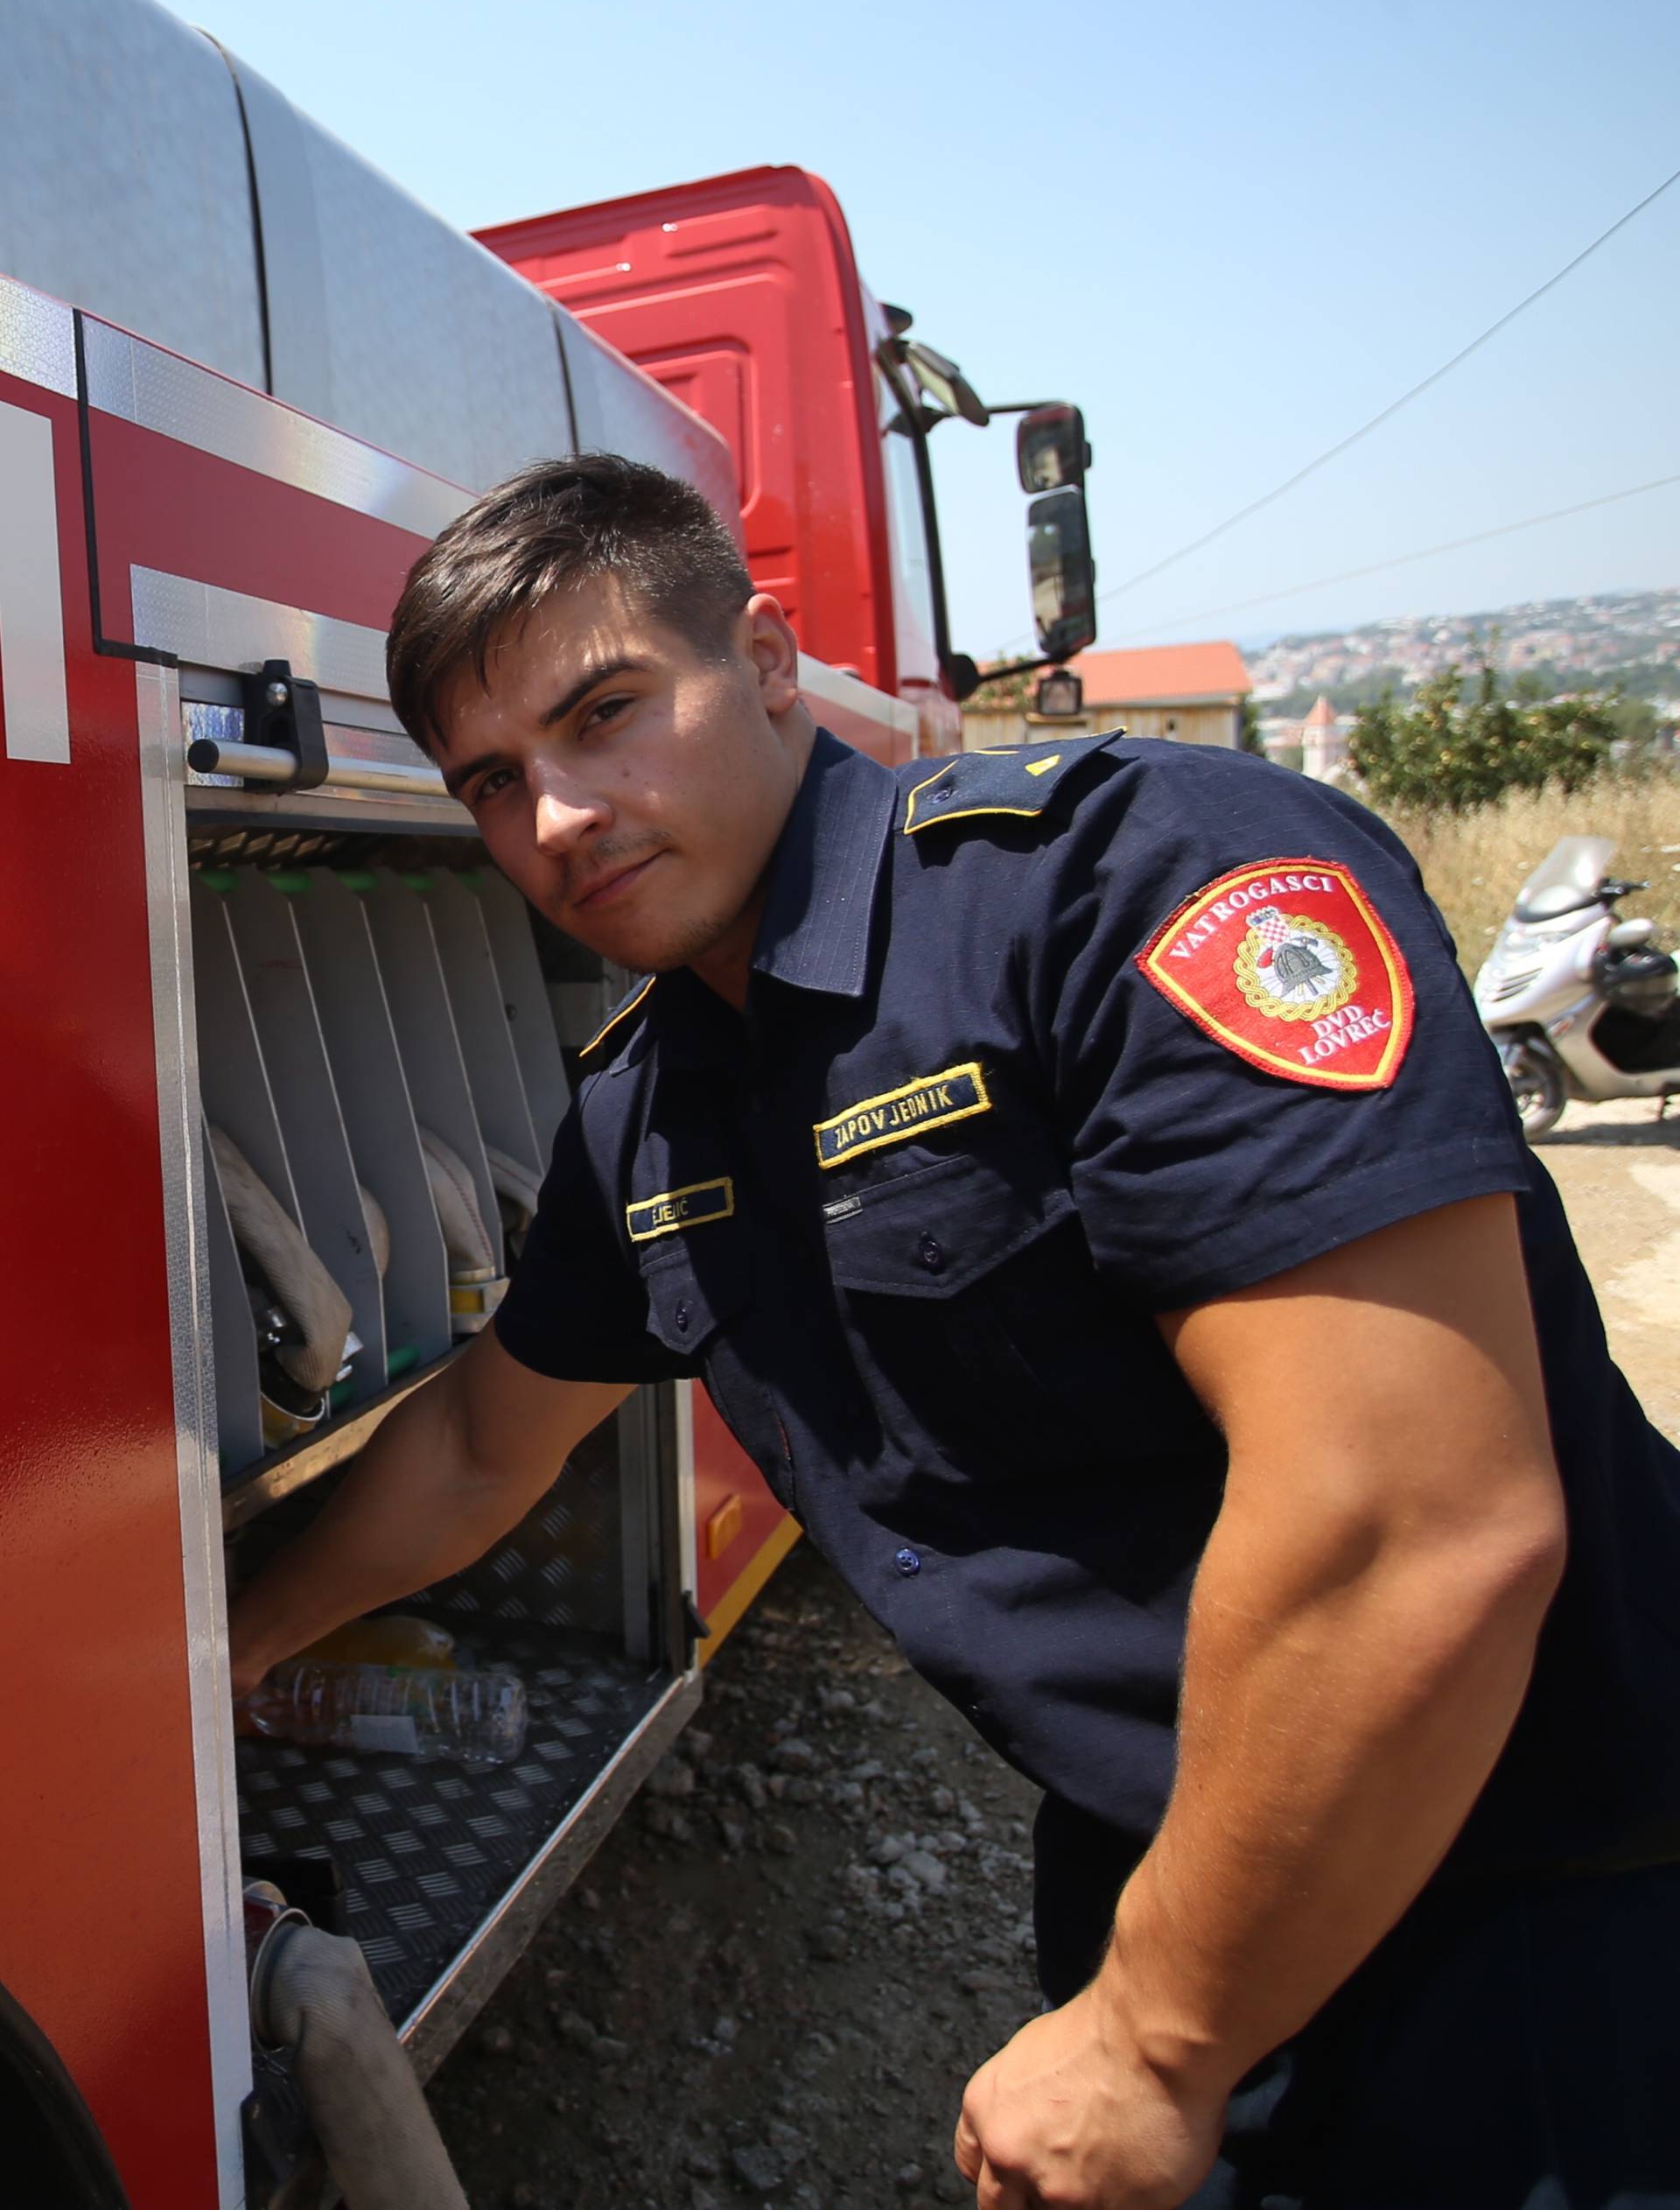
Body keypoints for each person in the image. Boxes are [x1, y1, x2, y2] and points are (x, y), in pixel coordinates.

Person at [229, 454, 1680, 2210]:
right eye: (493, 782)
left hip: (1538, 1895)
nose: (558, 817)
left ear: (767, 661)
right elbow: (478, 1450)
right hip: (1176, 1859)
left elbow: (1414, 1527)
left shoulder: (1128, 890)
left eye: (607, 711)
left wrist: (1159, 2038)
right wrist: (215, 1655)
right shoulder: (650, 1112)